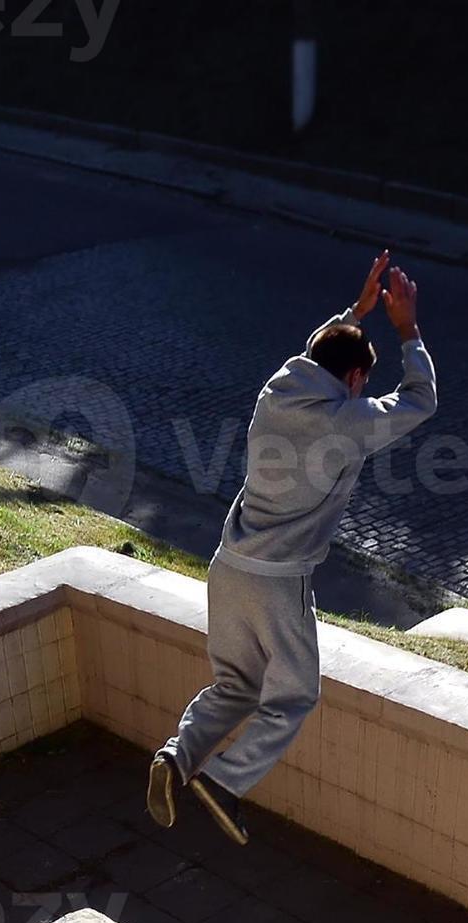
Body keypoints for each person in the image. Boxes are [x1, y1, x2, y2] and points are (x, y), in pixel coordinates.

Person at [147, 251, 437, 845]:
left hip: (228, 564)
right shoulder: (348, 421)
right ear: (354, 380)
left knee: (235, 685)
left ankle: (177, 758)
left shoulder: (276, 389)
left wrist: (355, 313)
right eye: (361, 381)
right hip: (279, 582)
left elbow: (315, 353)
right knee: (294, 694)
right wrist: (408, 330)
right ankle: (225, 782)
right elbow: (419, 400)